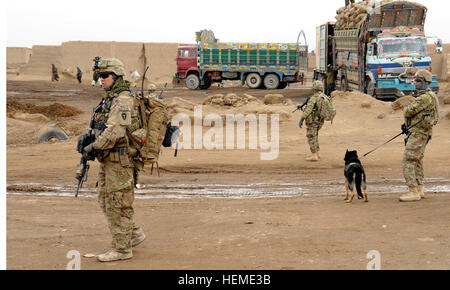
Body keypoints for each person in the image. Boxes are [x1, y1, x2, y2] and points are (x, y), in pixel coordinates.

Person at [81, 58, 146, 261]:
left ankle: (122, 249)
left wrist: (94, 146)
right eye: (98, 76)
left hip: (120, 161)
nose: (101, 80)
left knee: (117, 203)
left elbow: (116, 131)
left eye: (104, 76)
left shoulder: (123, 100)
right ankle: (133, 233)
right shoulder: (110, 98)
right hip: (108, 159)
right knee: (104, 199)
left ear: (115, 76)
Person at [400, 70, 439, 202]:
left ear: (425, 82)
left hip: (419, 133)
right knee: (417, 160)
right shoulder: (429, 96)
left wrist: (406, 106)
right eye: (415, 81)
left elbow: (409, 111)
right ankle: (419, 189)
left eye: (418, 81)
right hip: (420, 132)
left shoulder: (425, 98)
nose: (415, 83)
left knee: (408, 160)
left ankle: (413, 191)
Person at [299, 80, 326, 162]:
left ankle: (314, 155)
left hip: (312, 120)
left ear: (315, 88)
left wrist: (301, 119)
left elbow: (308, 110)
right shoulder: (323, 97)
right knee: (315, 136)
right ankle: (317, 153)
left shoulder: (314, 98)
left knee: (311, 136)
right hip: (320, 121)